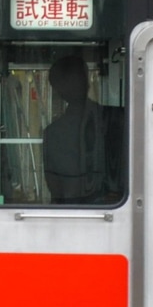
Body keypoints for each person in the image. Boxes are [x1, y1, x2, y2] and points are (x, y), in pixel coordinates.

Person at [42, 55, 124, 204]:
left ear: (58, 91)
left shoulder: (52, 133)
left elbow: (56, 189)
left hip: (68, 214)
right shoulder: (117, 118)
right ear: (88, 82)